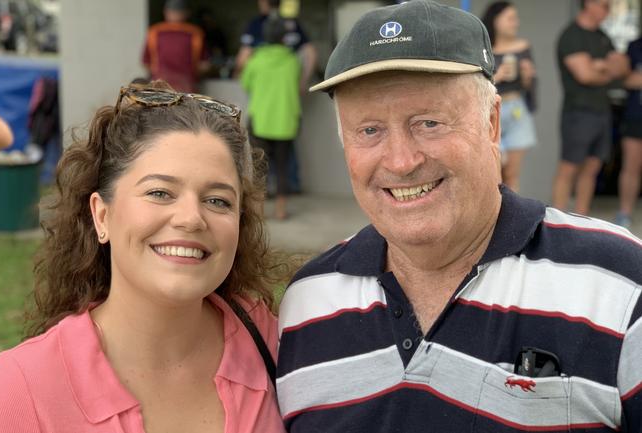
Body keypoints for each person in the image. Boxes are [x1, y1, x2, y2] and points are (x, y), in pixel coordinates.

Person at [275, 1, 642, 432]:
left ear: (492, 124)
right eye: (369, 130)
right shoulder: (306, 304)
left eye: (428, 122)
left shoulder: (620, 285)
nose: (401, 160)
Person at [0, 81, 286, 432]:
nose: (191, 217)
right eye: (160, 192)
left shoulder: (277, 343)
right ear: (101, 216)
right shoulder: (18, 391)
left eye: (217, 200)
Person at [552, 0, 630, 215]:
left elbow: (623, 67)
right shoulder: (572, 36)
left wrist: (600, 66)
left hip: (602, 112)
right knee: (569, 168)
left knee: (592, 168)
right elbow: (584, 75)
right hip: (578, 112)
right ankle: (556, 223)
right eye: (603, 5)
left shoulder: (603, 36)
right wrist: (606, 67)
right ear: (588, 4)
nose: (607, 10)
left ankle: (582, 218)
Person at [241, 13, 301, 220]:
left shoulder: (256, 60)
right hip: (285, 120)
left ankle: (258, 212)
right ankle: (281, 210)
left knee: (258, 167)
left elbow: (245, 84)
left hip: (260, 119)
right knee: (283, 167)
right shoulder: (292, 61)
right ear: (285, 37)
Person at [481, 1, 537, 192]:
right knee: (495, 171)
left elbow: (528, 86)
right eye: (511, 18)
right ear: (496, 21)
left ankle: (514, 218)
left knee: (513, 172)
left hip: (517, 109)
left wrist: (528, 76)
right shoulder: (483, 49)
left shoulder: (523, 46)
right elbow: (474, 85)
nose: (516, 23)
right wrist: (498, 76)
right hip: (490, 110)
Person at [142, 0, 210, 92]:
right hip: (186, 87)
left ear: (165, 12)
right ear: (187, 13)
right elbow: (204, 65)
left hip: (160, 88)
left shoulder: (154, 31)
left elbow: (146, 63)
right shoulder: (195, 33)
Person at [615, 36, 642, 228]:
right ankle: (624, 213)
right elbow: (627, 80)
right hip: (636, 115)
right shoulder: (635, 46)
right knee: (631, 166)